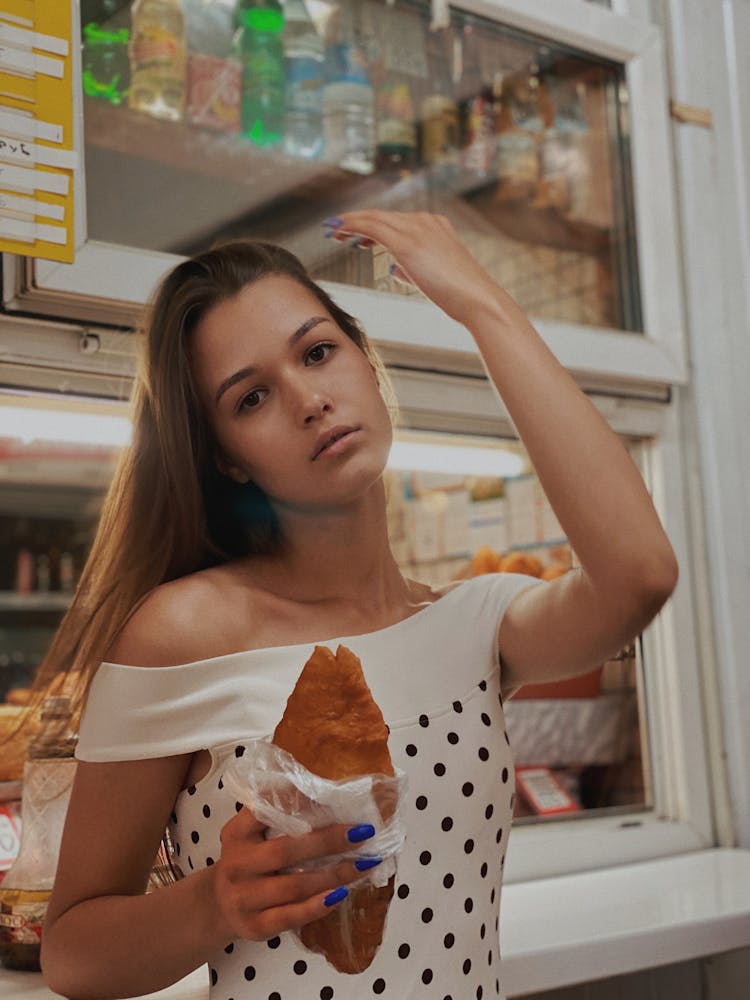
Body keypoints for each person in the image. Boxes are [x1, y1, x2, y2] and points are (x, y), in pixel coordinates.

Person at [39, 210, 677, 1000]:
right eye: (251, 399)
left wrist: (482, 304)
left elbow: (640, 575)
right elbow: (72, 951)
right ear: (225, 461)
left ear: (367, 365)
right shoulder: (184, 632)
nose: (308, 399)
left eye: (318, 352)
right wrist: (214, 903)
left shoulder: (473, 623)